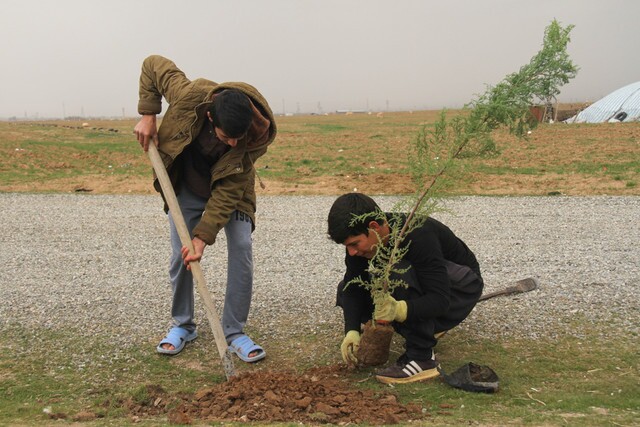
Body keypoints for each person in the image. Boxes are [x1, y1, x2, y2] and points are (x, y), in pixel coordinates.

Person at [134, 55, 277, 362]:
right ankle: (183, 325)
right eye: (227, 138)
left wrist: (203, 237)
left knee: (241, 247)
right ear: (212, 117)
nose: (234, 144)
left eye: (240, 139)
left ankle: (234, 332)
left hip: (232, 191)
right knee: (181, 256)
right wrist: (148, 113)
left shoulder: (257, 135)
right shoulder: (189, 95)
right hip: (187, 185)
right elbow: (152, 64)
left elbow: (227, 192)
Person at [327, 193, 484, 384]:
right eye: (347, 246)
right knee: (347, 287)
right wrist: (351, 330)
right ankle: (425, 327)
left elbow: (440, 300)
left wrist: (398, 310)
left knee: (398, 273)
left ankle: (422, 358)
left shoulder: (418, 234)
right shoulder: (360, 238)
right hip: (427, 287)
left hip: (459, 289)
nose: (352, 252)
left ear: (374, 227)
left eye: (354, 244)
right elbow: (353, 285)